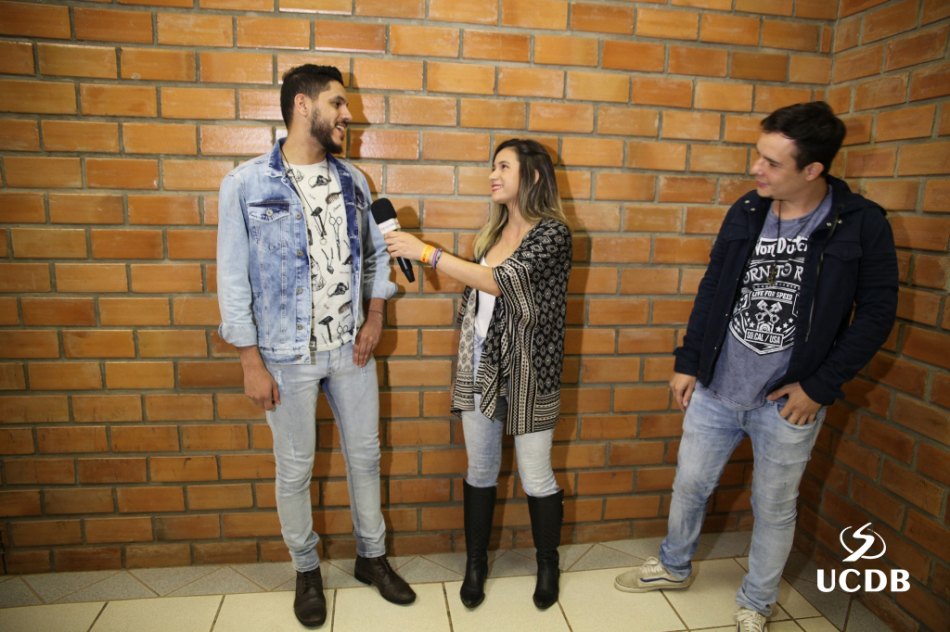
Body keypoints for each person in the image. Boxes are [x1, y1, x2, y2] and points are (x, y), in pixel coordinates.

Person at [614, 101, 898, 632]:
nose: (756, 169)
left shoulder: (861, 224)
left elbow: (877, 313)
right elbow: (713, 287)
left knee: (774, 507)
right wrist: (689, 361)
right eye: (757, 156)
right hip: (717, 387)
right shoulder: (747, 210)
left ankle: (757, 602)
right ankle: (674, 565)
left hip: (789, 401)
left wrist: (820, 387)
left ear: (812, 170)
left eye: (771, 162)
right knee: (690, 484)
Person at [216, 64, 415, 628]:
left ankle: (371, 558)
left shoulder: (354, 181)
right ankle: (306, 569)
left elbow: (375, 257)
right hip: (285, 355)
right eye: (338, 103)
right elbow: (233, 279)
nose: (348, 114)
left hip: (351, 352)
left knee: (366, 458)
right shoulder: (246, 184)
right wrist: (249, 360)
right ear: (302, 106)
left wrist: (375, 314)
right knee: (295, 470)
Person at [384, 139, 573, 610]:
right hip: (480, 366)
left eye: (504, 166)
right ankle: (475, 564)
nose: (493, 174)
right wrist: (464, 364)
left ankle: (547, 563)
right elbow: (475, 303)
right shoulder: (490, 235)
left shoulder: (553, 234)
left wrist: (426, 254)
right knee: (481, 470)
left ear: (532, 176)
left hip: (531, 371)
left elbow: (498, 282)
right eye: (493, 166)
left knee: (536, 475)